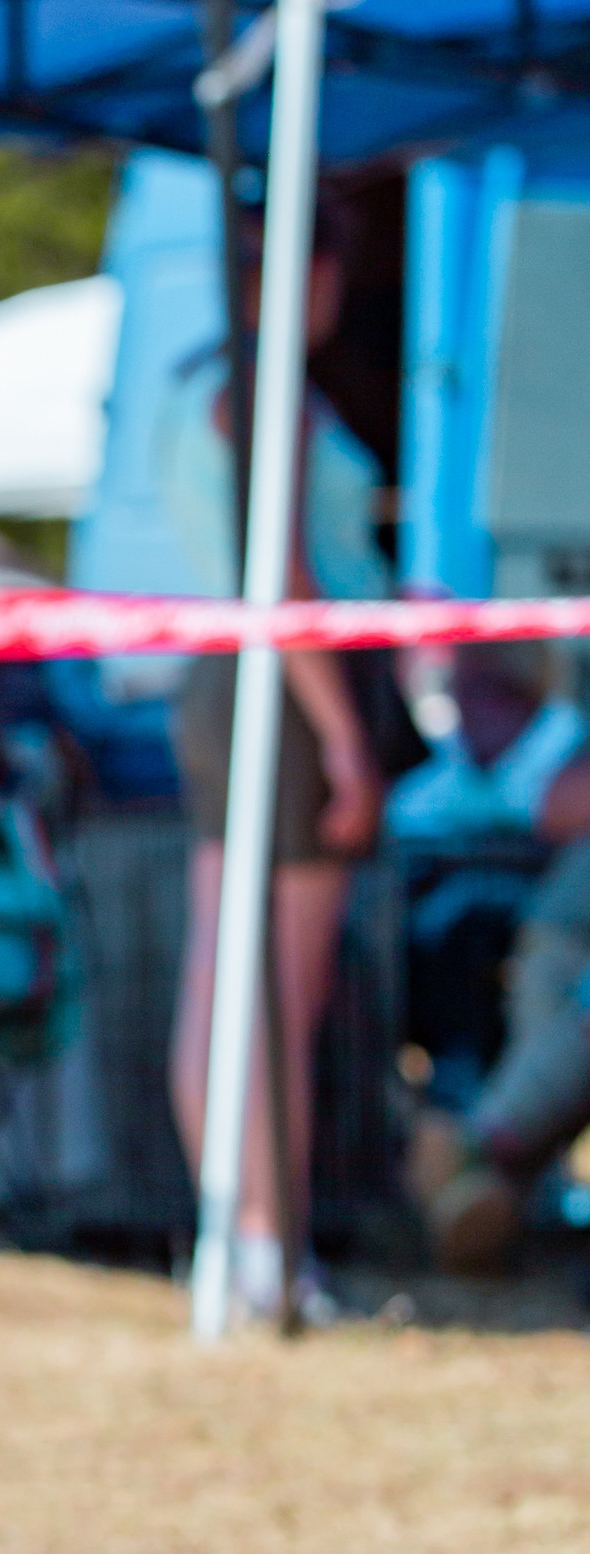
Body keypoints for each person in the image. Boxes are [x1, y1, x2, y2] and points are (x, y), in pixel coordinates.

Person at [158, 213, 387, 1324]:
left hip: (222, 685)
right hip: (286, 698)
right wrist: (346, 735)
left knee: (220, 980)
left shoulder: (202, 386)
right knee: (274, 1002)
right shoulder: (266, 396)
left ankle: (240, 1242)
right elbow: (285, 573)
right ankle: (264, 1248)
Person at [393, 646, 590, 1268]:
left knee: (571, 1013)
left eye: (484, 691)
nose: (464, 709)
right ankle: (492, 1183)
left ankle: (475, 1154)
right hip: (556, 937)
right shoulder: (442, 775)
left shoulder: (557, 738)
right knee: (540, 976)